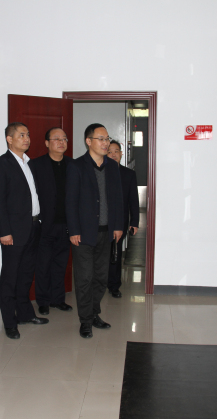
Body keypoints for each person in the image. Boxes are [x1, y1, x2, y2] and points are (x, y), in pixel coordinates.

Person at [0, 122, 49, 339]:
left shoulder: (29, 163)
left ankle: (25, 314)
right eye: (22, 135)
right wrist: (3, 231)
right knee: (10, 276)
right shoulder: (0, 164)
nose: (27, 139)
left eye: (28, 135)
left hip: (33, 226)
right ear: (9, 139)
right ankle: (9, 321)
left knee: (25, 274)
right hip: (13, 231)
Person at [66, 123, 123, 339]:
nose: (105, 143)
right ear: (88, 141)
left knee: (101, 277)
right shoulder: (77, 166)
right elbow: (71, 201)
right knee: (84, 278)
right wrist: (73, 230)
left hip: (106, 232)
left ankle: (94, 313)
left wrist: (118, 225)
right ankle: (85, 321)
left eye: (107, 139)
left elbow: (117, 199)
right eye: (101, 139)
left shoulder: (112, 167)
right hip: (83, 233)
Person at [29, 127, 74, 315]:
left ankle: (58, 299)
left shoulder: (73, 165)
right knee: (43, 265)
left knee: (60, 264)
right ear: (47, 143)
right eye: (56, 139)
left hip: (67, 225)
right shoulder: (35, 165)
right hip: (44, 224)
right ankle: (43, 301)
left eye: (64, 139)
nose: (61, 142)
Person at [106, 141, 140, 298]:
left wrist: (134, 222)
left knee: (116, 253)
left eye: (116, 151)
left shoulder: (128, 174)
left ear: (121, 154)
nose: (113, 154)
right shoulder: (101, 172)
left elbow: (133, 200)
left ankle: (114, 285)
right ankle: (100, 283)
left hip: (120, 221)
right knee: (101, 254)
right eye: (109, 151)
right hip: (102, 221)